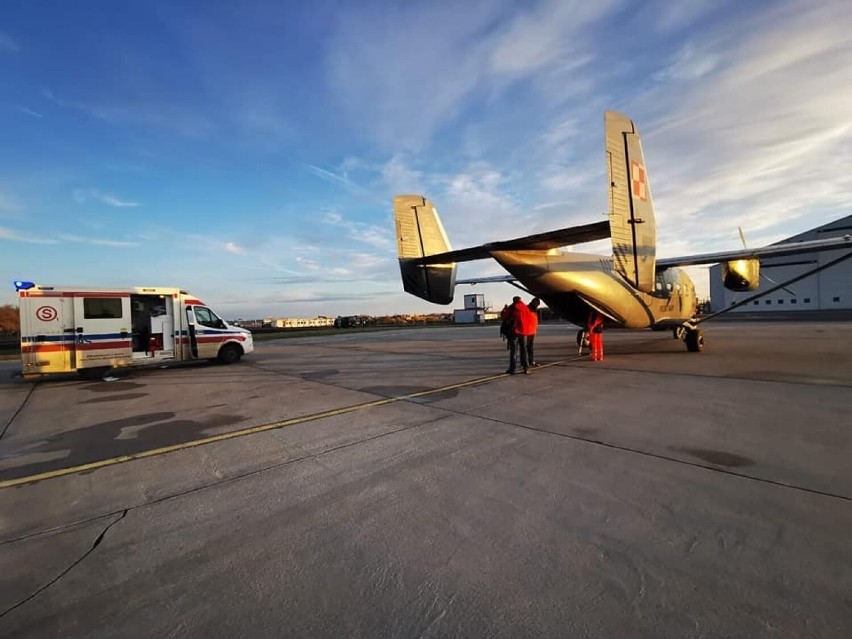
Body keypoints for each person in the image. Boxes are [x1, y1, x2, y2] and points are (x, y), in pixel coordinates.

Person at [506, 296, 533, 374]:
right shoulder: (525, 308)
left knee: (514, 350)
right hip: (523, 332)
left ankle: (512, 369)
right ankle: (526, 368)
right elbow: (529, 319)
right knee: (523, 349)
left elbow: (506, 317)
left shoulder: (512, 307)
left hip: (513, 331)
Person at [526, 298, 541, 366]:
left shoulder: (534, 309)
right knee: (528, 347)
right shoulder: (529, 309)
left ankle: (530, 361)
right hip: (528, 331)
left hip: (531, 330)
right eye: (537, 304)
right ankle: (528, 362)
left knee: (529, 346)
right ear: (534, 302)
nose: (537, 305)